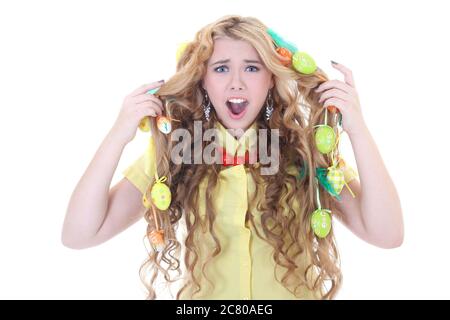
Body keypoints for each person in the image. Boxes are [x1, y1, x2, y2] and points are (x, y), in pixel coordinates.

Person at [62, 15, 404, 300]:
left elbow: (387, 234)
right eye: (222, 68)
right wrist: (118, 134)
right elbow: (79, 234)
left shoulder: (304, 152)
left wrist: (358, 130)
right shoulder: (178, 152)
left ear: (271, 79)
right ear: (204, 80)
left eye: (252, 69)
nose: (237, 83)